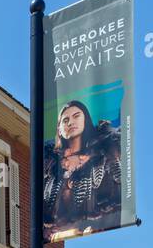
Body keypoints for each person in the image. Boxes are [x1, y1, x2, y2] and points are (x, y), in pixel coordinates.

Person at [42, 100, 122, 237]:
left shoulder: (102, 157)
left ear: (86, 119)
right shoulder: (50, 164)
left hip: (95, 236)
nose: (70, 122)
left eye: (76, 116)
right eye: (65, 120)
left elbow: (114, 204)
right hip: (57, 241)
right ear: (59, 129)